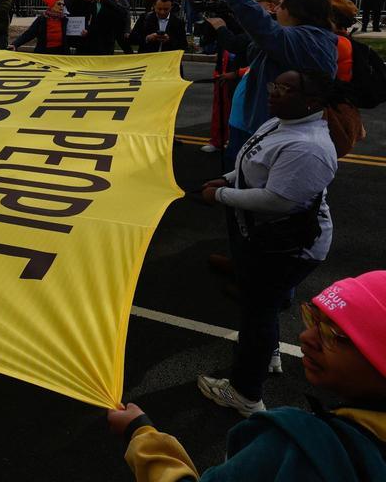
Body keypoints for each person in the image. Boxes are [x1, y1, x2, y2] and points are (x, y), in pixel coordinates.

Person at [108, 270, 386, 480]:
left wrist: (141, 435)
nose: (305, 336)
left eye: (333, 335)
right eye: (314, 318)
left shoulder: (296, 451)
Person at [196, 69, 339, 416]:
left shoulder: (308, 147)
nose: (273, 93)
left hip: (289, 248)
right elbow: (254, 163)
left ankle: (245, 393)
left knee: (257, 312)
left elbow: (279, 200)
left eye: (285, 89)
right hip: (265, 239)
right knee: (264, 305)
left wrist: (223, 195)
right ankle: (267, 350)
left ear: (312, 102)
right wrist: (228, 177)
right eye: (275, 85)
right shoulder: (282, 122)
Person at [214, 0, 337, 170]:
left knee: (257, 183)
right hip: (266, 125)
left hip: (278, 132)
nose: (276, 10)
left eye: (281, 5)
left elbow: (264, 29)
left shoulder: (308, 40)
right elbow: (259, 45)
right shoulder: (306, 37)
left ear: (296, 12)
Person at [64, 0, 128, 55]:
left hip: (104, 47)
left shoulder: (112, 3)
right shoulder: (86, 0)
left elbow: (123, 14)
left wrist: (104, 1)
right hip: (85, 47)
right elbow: (66, 1)